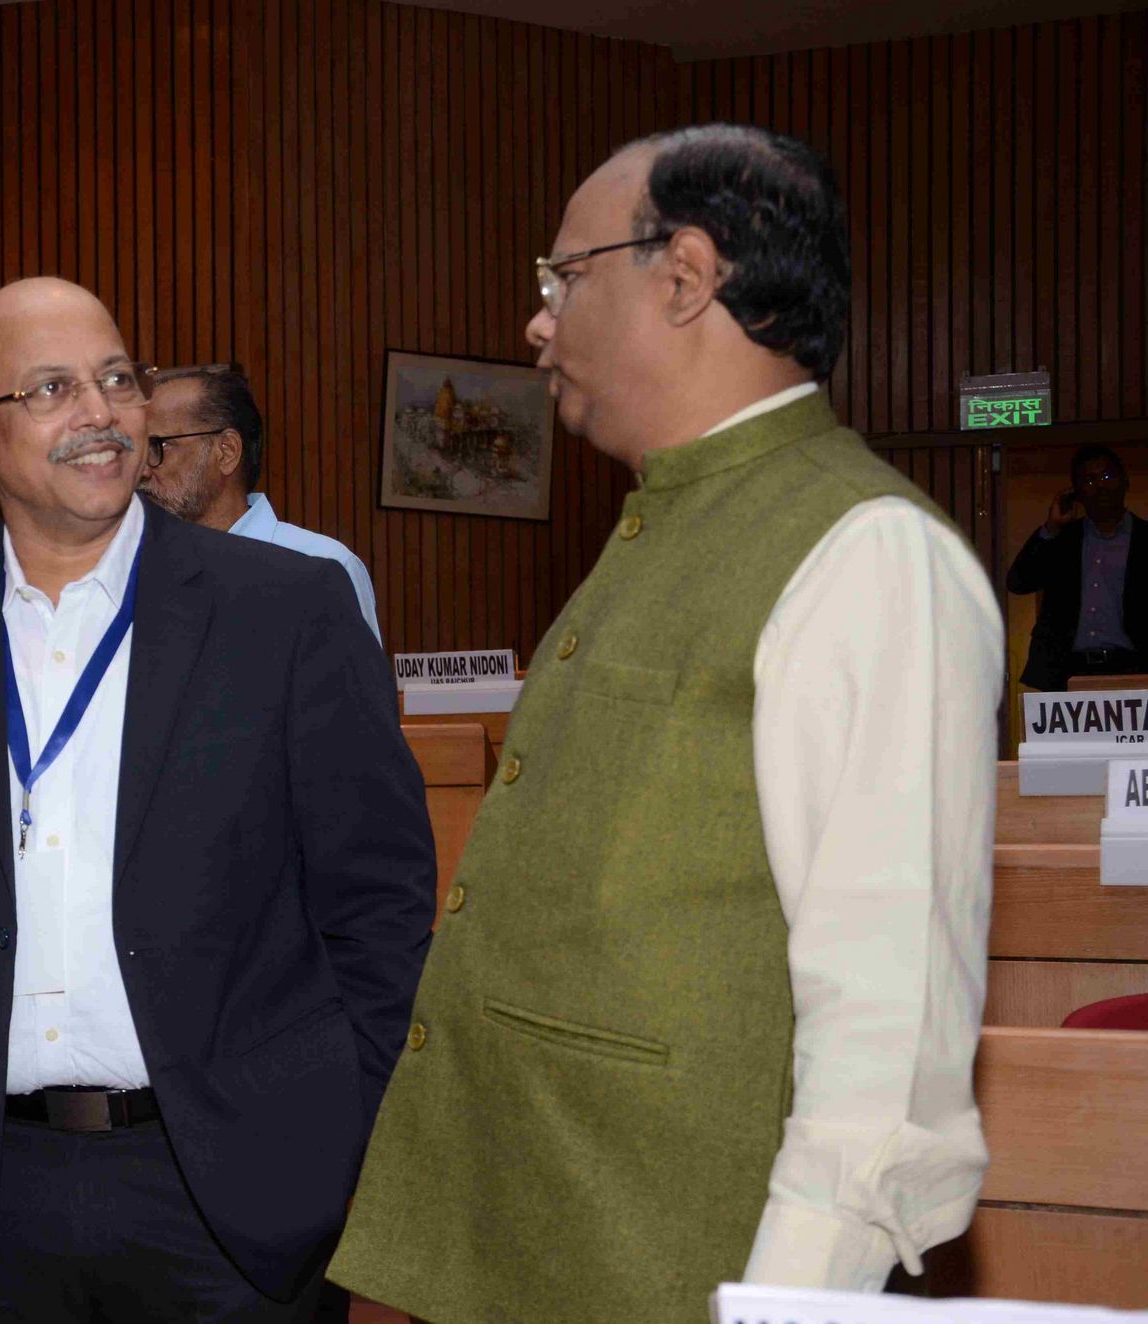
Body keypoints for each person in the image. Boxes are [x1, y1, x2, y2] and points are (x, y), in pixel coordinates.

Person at [330, 125, 1002, 1323]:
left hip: (671, 1264)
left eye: (562, 277)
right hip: (536, 1241)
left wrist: (786, 1307)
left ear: (683, 274)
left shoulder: (869, 551)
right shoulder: (667, 519)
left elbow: (886, 1049)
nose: (536, 322)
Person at [0, 277, 437, 1324]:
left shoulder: (283, 610)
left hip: (236, 1197)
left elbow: (380, 908)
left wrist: (346, 1148)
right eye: (52, 388)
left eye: (116, 379)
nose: (98, 413)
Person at [140, 362, 380, 639]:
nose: (142, 469)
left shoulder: (323, 565)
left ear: (226, 452)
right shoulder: (142, 569)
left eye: (157, 446)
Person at [1006, 444, 1148, 691]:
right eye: (1089, 480)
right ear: (1077, 492)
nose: (1100, 485)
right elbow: (1018, 582)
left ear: (1125, 481)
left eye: (1107, 476)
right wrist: (1050, 528)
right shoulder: (1061, 539)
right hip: (1064, 671)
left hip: (1136, 669)